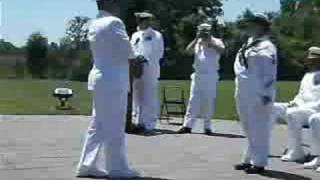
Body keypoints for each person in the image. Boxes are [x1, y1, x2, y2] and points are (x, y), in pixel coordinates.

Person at [76, 0, 140, 178]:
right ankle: (117, 169)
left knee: (98, 124)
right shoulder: (114, 22)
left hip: (99, 77)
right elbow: (128, 50)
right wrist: (137, 54)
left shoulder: (93, 23)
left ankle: (87, 165)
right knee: (115, 125)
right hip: (113, 80)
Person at [233, 13, 277, 174]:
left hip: (259, 92)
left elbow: (269, 73)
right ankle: (249, 159)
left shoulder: (267, 46)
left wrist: (265, 93)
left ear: (260, 26)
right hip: (243, 88)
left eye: (251, 24)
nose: (247, 26)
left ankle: (259, 163)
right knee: (248, 126)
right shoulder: (248, 43)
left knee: (259, 127)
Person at [274, 47, 320, 164]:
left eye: (314, 59)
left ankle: (301, 153)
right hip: (303, 108)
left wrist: (300, 107)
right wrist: (294, 102)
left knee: (293, 113)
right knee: (272, 107)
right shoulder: (307, 75)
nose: (311, 62)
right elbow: (300, 95)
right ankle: (294, 149)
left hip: (315, 110)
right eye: (310, 59)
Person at [177, 23, 225, 135]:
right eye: (201, 30)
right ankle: (187, 126)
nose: (203, 32)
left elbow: (222, 50)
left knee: (209, 101)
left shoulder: (216, 41)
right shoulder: (197, 42)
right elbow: (187, 51)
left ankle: (207, 127)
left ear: (210, 31)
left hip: (210, 75)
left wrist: (210, 43)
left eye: (205, 30)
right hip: (198, 75)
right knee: (193, 101)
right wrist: (196, 39)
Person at [131, 12, 164, 134]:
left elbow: (159, 53)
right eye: (139, 20)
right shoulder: (135, 35)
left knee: (149, 97)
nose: (140, 23)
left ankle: (150, 124)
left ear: (148, 21)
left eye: (142, 20)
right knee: (137, 97)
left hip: (150, 70)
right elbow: (131, 50)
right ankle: (139, 122)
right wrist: (135, 59)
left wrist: (144, 59)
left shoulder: (156, 35)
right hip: (136, 69)